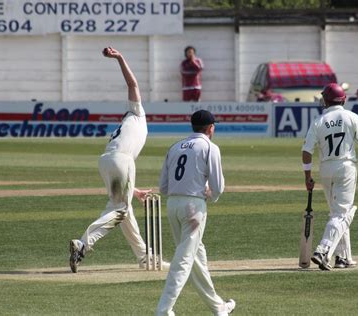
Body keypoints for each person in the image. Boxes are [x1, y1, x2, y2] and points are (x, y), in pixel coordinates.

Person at [69, 46, 168, 273]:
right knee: (121, 210)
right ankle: (83, 244)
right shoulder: (136, 114)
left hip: (107, 161)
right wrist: (120, 58)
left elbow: (116, 169)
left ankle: (145, 258)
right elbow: (132, 84)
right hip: (121, 162)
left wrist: (136, 190)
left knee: (125, 213)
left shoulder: (123, 127)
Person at [156, 110, 235, 315]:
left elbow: (163, 187)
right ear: (210, 128)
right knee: (183, 260)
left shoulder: (174, 147)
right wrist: (211, 195)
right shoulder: (210, 147)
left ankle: (219, 308)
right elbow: (218, 185)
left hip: (172, 205)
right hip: (193, 207)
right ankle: (164, 310)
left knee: (196, 257)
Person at [302, 83, 358, 271]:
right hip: (346, 167)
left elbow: (306, 151)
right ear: (343, 99)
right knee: (341, 214)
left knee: (337, 214)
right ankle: (322, 251)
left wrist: (307, 175)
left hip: (326, 170)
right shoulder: (351, 117)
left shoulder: (319, 121)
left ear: (326, 100)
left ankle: (342, 257)